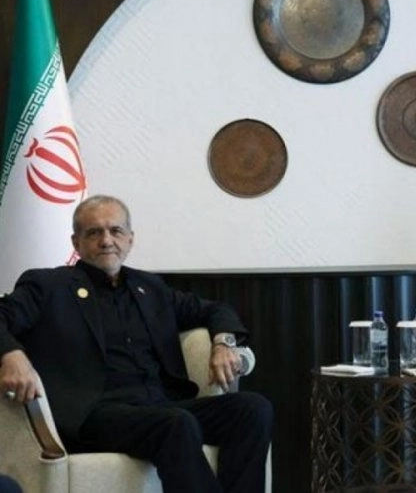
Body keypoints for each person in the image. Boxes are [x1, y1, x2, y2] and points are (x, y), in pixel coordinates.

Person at [0, 195, 272, 493]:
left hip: (161, 406)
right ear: (76, 242)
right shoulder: (48, 286)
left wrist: (223, 342)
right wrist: (11, 354)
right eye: (94, 232)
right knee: (176, 423)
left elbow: (215, 309)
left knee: (253, 409)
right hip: (94, 414)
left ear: (130, 239)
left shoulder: (150, 288)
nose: (106, 240)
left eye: (115, 231)